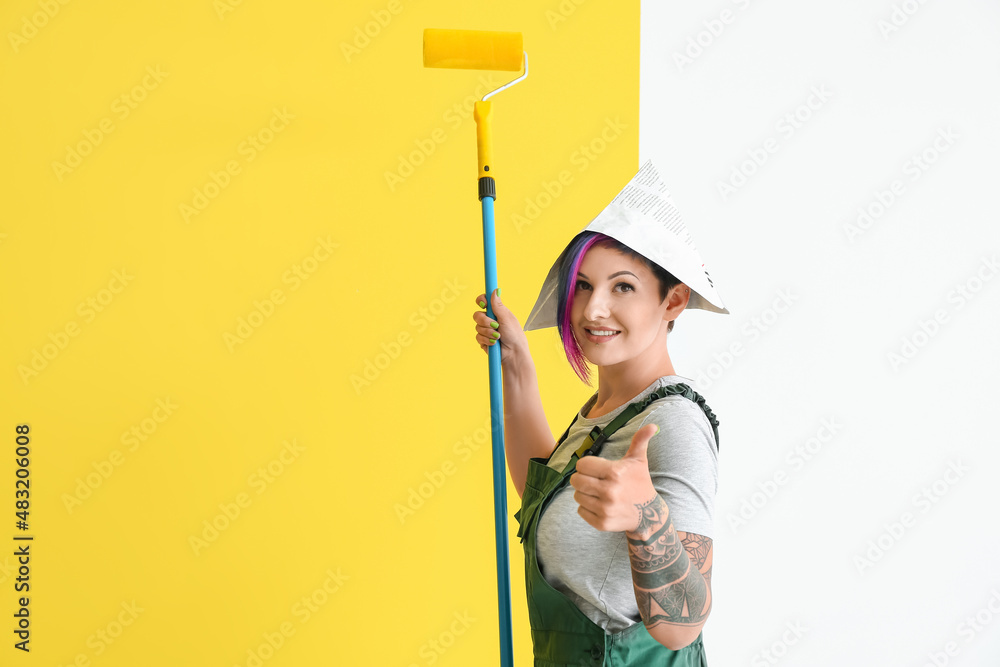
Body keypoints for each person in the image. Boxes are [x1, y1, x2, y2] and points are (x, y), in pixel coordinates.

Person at [471, 160, 729, 665]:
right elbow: (540, 490)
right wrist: (517, 368)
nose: (591, 310)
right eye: (584, 285)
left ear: (673, 300)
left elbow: (683, 625)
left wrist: (646, 518)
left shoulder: (673, 422)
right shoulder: (603, 412)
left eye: (623, 287)